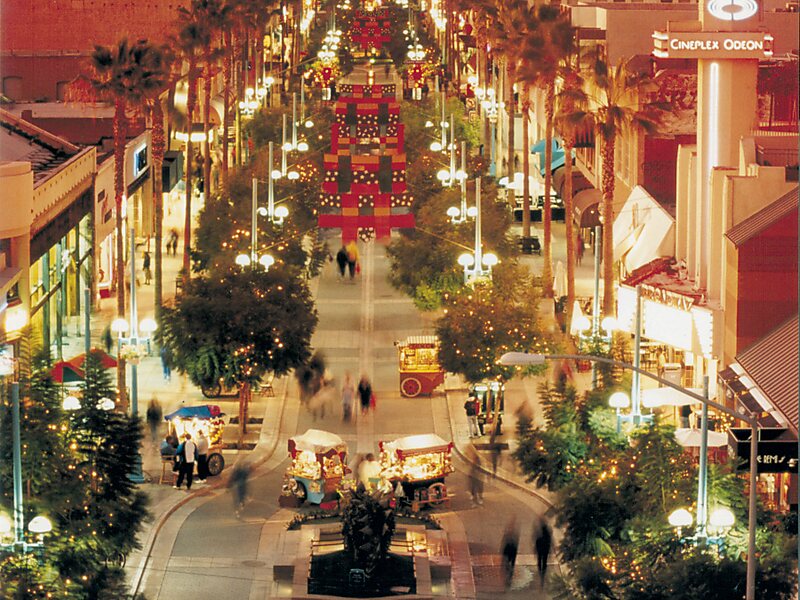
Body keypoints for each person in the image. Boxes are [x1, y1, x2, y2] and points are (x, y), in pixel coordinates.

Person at [500, 518, 519, 589]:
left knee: (508, 565)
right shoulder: (513, 534)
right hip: (512, 552)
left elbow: (504, 542)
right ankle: (509, 578)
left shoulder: (509, 534)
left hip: (509, 552)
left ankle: (508, 578)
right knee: (510, 565)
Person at [534, 518, 553, 587]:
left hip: (540, 550)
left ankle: (540, 573)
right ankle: (543, 575)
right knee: (544, 562)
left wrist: (535, 549)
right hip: (545, 550)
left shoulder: (539, 533)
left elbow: (536, 541)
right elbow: (550, 542)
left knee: (539, 562)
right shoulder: (548, 533)